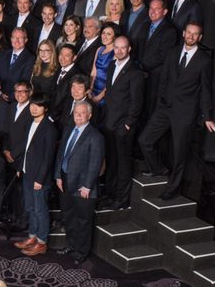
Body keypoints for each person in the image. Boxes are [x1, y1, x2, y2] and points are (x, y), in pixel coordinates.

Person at [139, 22, 215, 200]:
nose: (191, 36)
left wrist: (208, 116)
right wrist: (160, 103)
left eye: (195, 34)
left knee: (179, 154)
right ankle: (158, 169)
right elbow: (163, 80)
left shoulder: (204, 61)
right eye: (189, 32)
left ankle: (172, 188)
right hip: (165, 108)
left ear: (200, 37)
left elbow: (205, 91)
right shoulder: (173, 53)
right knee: (145, 140)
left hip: (185, 113)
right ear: (183, 33)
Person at [55, 101, 104, 265]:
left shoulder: (95, 136)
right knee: (68, 216)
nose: (79, 116)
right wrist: (58, 176)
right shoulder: (69, 130)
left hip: (83, 187)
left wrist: (88, 186)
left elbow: (95, 163)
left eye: (82, 113)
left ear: (89, 115)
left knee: (83, 220)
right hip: (65, 181)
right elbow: (61, 154)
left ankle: (81, 252)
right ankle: (70, 244)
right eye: (76, 113)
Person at [100, 36, 143, 211]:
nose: (118, 51)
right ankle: (110, 194)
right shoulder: (112, 66)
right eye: (116, 48)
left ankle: (121, 199)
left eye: (122, 48)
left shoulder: (135, 72)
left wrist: (128, 124)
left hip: (123, 127)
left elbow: (136, 102)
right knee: (111, 162)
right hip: (110, 123)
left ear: (129, 49)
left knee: (124, 165)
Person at [13, 94, 58, 256]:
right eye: (32, 105)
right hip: (27, 172)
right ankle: (32, 236)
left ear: (45, 108)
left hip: (40, 177)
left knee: (40, 210)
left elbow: (48, 157)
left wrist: (40, 179)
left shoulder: (49, 128)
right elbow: (25, 149)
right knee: (30, 208)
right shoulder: (30, 122)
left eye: (38, 106)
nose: (33, 108)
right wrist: (20, 167)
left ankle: (41, 242)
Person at [89, 23, 118, 105]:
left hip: (105, 93)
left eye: (109, 34)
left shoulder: (116, 53)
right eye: (103, 33)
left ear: (115, 36)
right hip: (93, 90)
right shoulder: (99, 49)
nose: (104, 36)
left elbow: (113, 79)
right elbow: (93, 72)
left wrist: (100, 96)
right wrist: (90, 89)